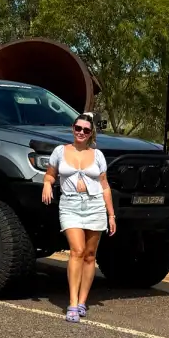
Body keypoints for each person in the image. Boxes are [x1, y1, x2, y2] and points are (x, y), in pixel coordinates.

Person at [41, 112, 116, 321]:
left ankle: (83, 302)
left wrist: (111, 215)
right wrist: (47, 184)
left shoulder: (97, 155)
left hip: (94, 206)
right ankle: (72, 303)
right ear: (72, 129)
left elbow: (105, 186)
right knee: (77, 250)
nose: (81, 132)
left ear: (91, 133)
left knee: (90, 255)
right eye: (78, 128)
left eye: (86, 130)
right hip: (70, 205)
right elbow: (50, 174)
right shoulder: (60, 151)